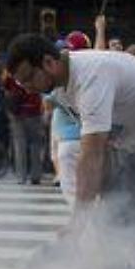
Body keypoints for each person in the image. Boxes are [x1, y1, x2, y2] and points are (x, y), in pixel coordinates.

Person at [6, 33, 135, 268]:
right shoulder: (60, 88)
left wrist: (77, 224)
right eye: (20, 83)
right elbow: (104, 148)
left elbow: (92, 155)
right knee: (111, 223)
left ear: (49, 62)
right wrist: (103, 203)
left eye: (28, 78)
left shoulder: (90, 76)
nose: (27, 89)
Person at [47, 30, 90, 205]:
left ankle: (84, 226)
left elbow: (48, 104)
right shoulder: (93, 72)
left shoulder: (58, 77)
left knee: (73, 193)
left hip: (69, 139)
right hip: (93, 139)